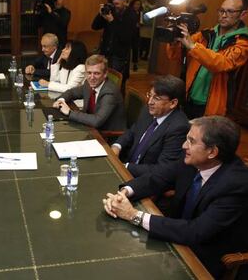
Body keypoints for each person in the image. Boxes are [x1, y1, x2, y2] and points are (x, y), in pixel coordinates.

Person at [103, 116, 248, 278]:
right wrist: (124, 194)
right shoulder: (194, 159)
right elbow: (157, 178)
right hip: (175, 237)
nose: (184, 145)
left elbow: (196, 232)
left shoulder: (236, 185)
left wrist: (133, 215)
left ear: (212, 152)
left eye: (191, 141)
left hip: (205, 257)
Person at [166, 0, 248, 118]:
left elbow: (222, 63)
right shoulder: (205, 34)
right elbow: (175, 55)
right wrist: (173, 40)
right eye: (221, 10)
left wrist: (193, 46)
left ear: (243, 14)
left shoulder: (243, 42)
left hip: (213, 105)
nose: (224, 15)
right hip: (188, 97)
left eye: (230, 11)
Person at [111, 75, 189, 177]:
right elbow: (132, 131)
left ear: (173, 103)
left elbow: (162, 169)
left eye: (156, 98)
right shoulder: (148, 110)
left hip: (145, 178)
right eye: (150, 95)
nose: (150, 102)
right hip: (126, 165)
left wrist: (125, 166)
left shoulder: (178, 128)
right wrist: (117, 146)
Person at [53, 54, 126, 131]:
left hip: (107, 134)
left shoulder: (110, 93)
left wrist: (70, 112)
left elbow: (97, 121)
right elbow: (72, 92)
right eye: (89, 73)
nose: (92, 77)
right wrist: (61, 100)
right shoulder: (88, 83)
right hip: (89, 127)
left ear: (105, 74)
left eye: (96, 73)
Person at [91, 0, 137, 93]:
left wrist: (112, 21)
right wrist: (100, 14)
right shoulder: (111, 11)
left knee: (116, 82)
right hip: (106, 52)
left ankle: (116, 103)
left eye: (117, 4)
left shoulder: (131, 15)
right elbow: (94, 26)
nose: (115, 6)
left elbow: (125, 37)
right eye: (114, 3)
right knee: (102, 79)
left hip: (119, 55)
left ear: (125, 2)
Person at [129, 0, 143, 71]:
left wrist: (140, 24)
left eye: (139, 4)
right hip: (129, 32)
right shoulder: (129, 12)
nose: (137, 6)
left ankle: (135, 63)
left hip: (137, 32)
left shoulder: (140, 12)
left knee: (135, 48)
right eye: (136, 4)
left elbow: (141, 22)